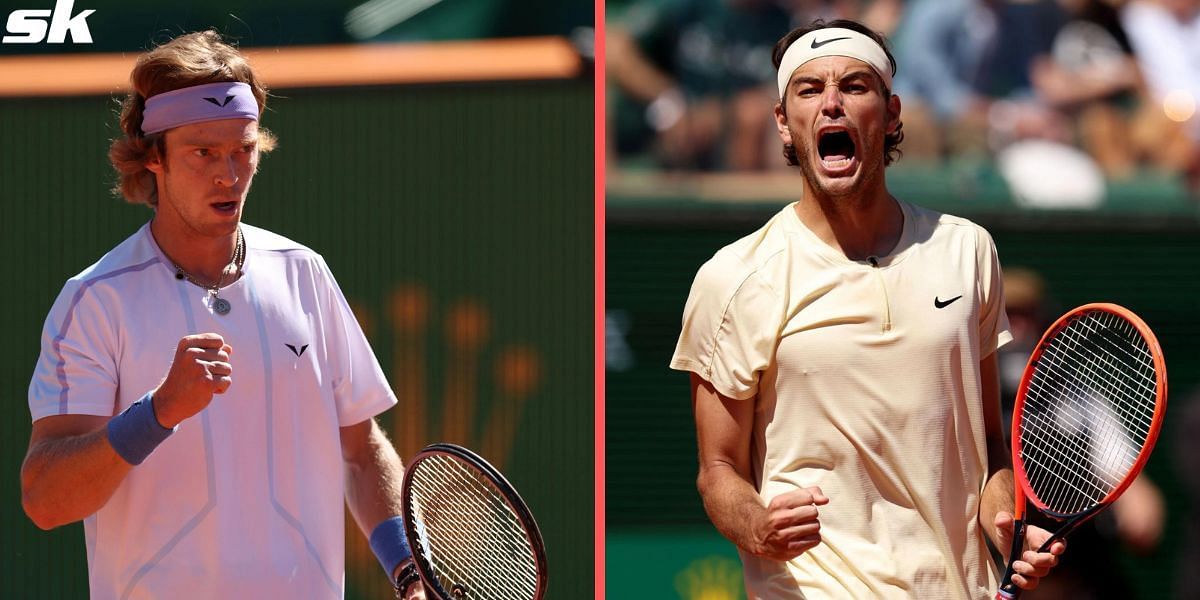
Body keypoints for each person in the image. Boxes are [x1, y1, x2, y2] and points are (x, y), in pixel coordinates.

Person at [20, 31, 425, 600]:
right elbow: (45, 499)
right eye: (203, 153)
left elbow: (360, 452)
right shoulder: (94, 300)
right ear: (154, 157)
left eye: (243, 149)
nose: (229, 175)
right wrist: (158, 412)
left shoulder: (305, 273)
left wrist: (408, 571)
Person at [670, 19, 1066, 598]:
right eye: (809, 90)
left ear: (892, 113)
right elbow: (719, 472)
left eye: (855, 86)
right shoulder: (733, 277)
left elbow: (986, 448)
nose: (831, 103)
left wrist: (1006, 526)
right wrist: (759, 527)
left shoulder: (968, 251)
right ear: (784, 123)